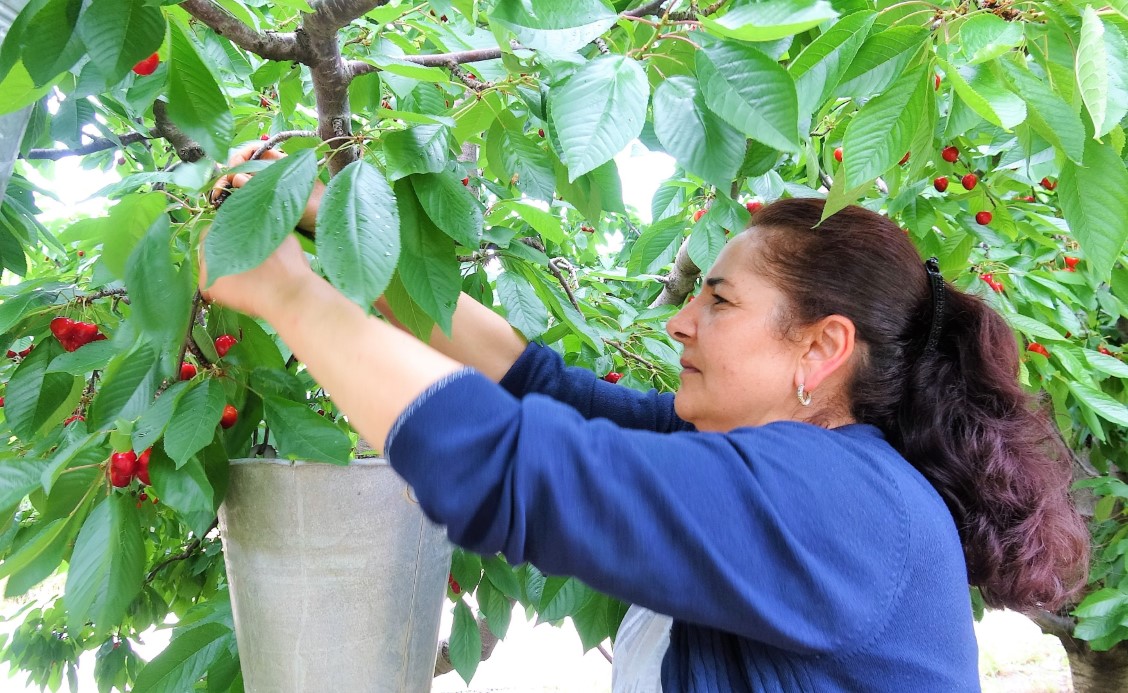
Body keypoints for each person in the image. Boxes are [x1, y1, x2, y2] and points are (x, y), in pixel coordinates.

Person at [205, 149, 1089, 692]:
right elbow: (531, 385)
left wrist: (287, 294)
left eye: (719, 299)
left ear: (820, 350)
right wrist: (343, 223)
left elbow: (505, 466)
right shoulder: (773, 464)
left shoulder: (842, 502)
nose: (680, 321)